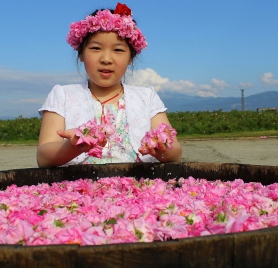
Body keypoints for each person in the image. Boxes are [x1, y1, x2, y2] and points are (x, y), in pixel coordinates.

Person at [37, 2, 182, 168]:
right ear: (81, 55)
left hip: (137, 189)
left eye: (118, 50)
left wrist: (163, 149)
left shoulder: (146, 97)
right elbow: (43, 157)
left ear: (130, 58)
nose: (106, 59)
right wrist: (73, 146)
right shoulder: (62, 95)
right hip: (76, 190)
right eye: (96, 48)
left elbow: (176, 152)